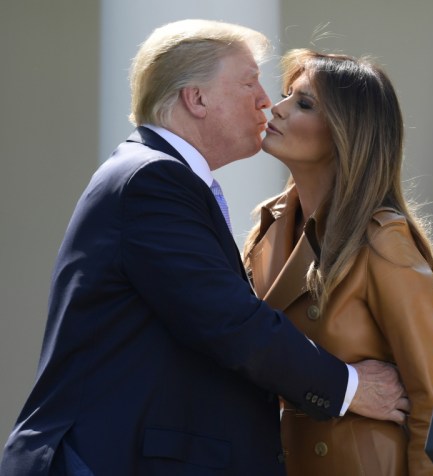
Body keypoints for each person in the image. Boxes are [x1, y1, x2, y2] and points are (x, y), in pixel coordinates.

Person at [0, 20, 409, 476]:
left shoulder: (159, 176)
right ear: (196, 99)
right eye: (249, 83)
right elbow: (229, 321)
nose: (265, 101)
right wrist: (350, 387)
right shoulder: (152, 180)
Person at [242, 49, 433, 476]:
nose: (274, 109)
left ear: (345, 133)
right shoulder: (268, 226)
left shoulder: (382, 239)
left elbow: (432, 399)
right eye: (285, 95)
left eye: (303, 103)